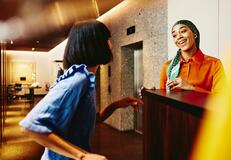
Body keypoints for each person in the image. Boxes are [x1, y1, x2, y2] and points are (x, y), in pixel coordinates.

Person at [19, 20, 143, 160]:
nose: (110, 44)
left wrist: (117, 105)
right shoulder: (78, 80)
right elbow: (31, 126)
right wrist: (82, 156)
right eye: (107, 39)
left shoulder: (86, 78)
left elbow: (95, 119)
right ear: (95, 44)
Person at [160, 20, 226, 93]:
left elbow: (222, 99)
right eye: (174, 35)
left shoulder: (214, 64)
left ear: (195, 34)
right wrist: (148, 94)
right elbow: (161, 100)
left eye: (183, 31)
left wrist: (191, 87)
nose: (179, 37)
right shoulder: (167, 66)